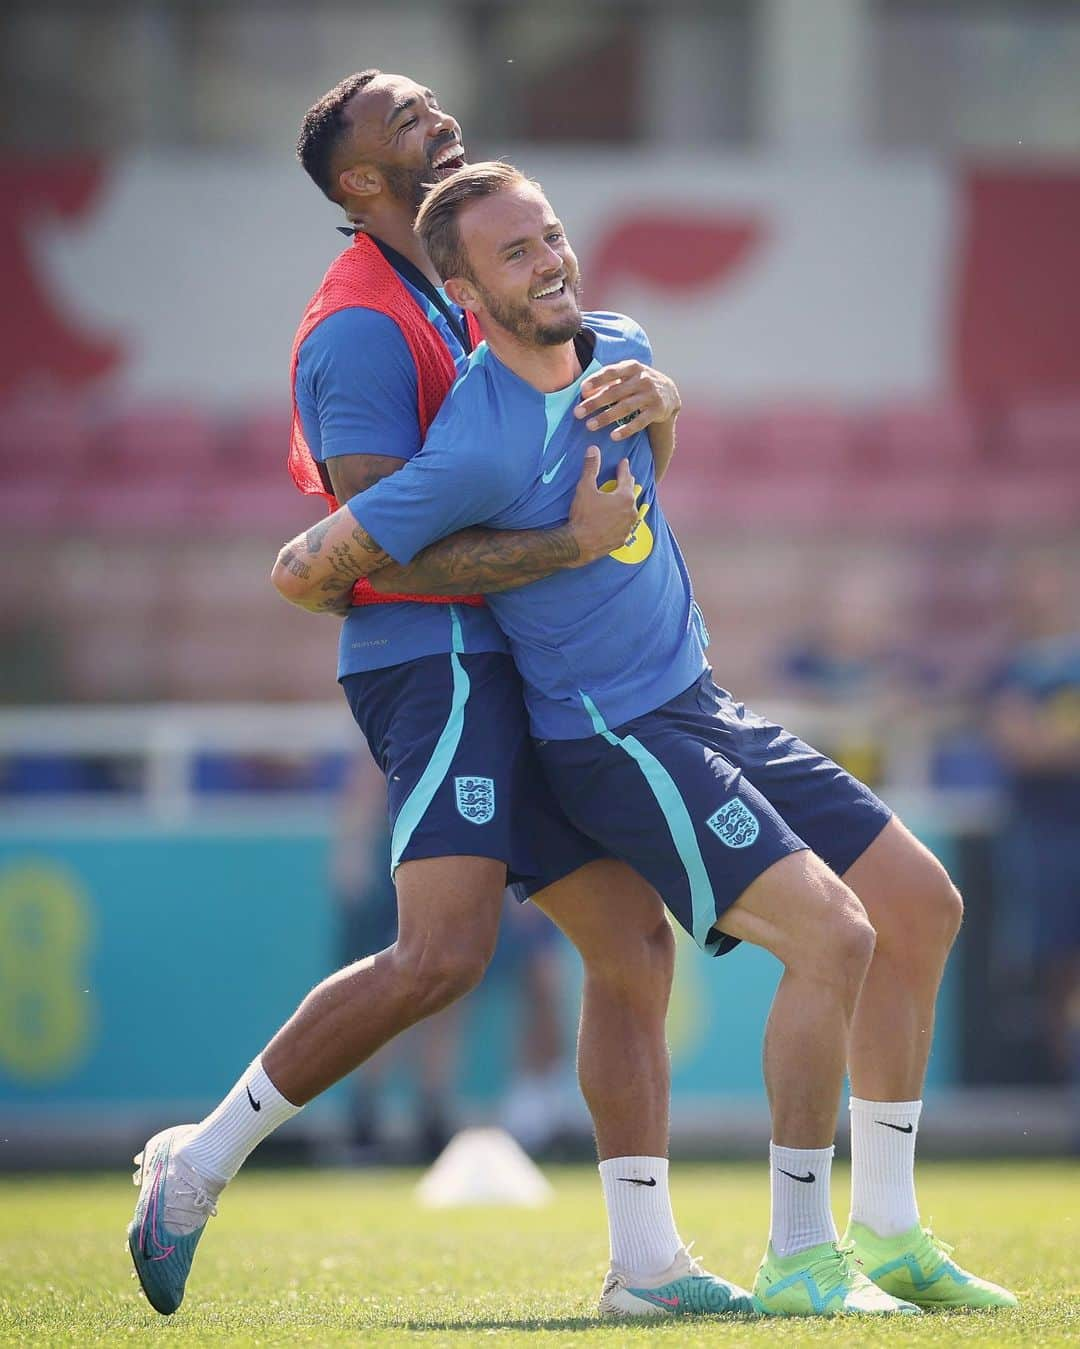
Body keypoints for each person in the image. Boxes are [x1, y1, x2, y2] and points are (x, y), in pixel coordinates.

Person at [272, 160, 1019, 1317]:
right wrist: (545, 551)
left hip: (700, 698)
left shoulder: (619, 341)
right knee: (832, 937)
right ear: (466, 292)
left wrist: (665, 411)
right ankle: (801, 1253)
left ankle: (893, 1228)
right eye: (515, 253)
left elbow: (640, 481)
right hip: (611, 735)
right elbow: (303, 567)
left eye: (552, 235)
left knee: (924, 902)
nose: (551, 260)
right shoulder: (472, 439)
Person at [128, 72, 754, 1322]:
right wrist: (568, 550)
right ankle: (193, 1167)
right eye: (403, 124)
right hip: (439, 662)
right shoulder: (358, 326)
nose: (437, 124)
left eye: (431, 107)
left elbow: (562, 439)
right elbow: (373, 557)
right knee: (442, 955)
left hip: (518, 650)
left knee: (631, 944)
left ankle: (645, 1265)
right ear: (358, 184)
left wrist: (658, 400)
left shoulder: (456, 275)